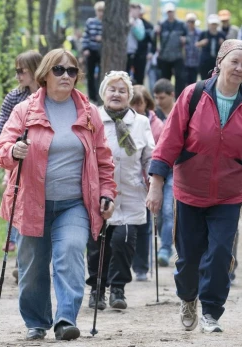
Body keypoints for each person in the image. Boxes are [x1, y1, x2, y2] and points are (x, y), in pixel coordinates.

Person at [147, 39, 242, 333]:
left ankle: (211, 312)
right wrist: (156, 183)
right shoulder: (194, 95)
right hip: (190, 191)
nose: (240, 68)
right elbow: (169, 142)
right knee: (189, 258)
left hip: (228, 195)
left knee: (219, 256)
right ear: (220, 62)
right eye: (234, 62)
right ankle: (188, 298)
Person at [0, 48, 117, 340]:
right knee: (33, 267)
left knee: (71, 252)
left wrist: (108, 192)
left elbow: (103, 158)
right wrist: (13, 150)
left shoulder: (88, 113)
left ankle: (65, 319)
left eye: (72, 70)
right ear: (44, 75)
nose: (66, 76)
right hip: (31, 202)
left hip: (74, 203)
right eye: (59, 70)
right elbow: (2, 150)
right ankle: (36, 321)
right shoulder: (24, 110)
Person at [85, 71, 154, 310]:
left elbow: (149, 157)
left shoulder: (141, 123)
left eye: (122, 90)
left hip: (131, 194)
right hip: (98, 194)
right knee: (97, 246)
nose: (116, 94)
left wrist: (154, 179)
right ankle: (97, 289)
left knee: (124, 242)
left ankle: (117, 289)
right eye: (112, 89)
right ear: (103, 93)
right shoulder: (92, 120)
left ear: (129, 95)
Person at [0, 50, 43, 255]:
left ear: (34, 70)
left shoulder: (52, 95)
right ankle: (21, 258)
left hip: (45, 162)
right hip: (18, 161)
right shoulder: (14, 97)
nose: (17, 76)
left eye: (21, 71)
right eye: (16, 71)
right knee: (19, 204)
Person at [130, 85, 163, 281]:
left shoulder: (155, 125)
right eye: (132, 102)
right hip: (125, 183)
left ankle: (142, 267)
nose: (135, 107)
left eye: (139, 103)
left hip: (147, 182)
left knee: (145, 226)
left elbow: (156, 153)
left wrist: (155, 179)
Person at [151, 78, 176, 265]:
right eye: (156, 97)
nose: (158, 101)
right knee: (158, 212)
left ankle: (165, 248)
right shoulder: (154, 116)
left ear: (171, 95)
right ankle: (165, 242)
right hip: (158, 168)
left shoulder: (180, 112)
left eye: (162, 97)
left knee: (169, 210)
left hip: (175, 169)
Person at [154, 2, 187, 98]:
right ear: (166, 13)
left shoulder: (181, 24)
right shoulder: (161, 24)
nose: (170, 13)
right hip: (165, 57)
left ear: (174, 12)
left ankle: (179, 98)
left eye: (171, 12)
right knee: (165, 79)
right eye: (168, 12)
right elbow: (155, 40)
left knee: (180, 79)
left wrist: (185, 39)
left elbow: (188, 37)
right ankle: (165, 97)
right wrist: (156, 32)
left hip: (178, 56)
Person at [81, 1, 105, 102]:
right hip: (91, 51)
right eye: (99, 11)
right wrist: (85, 49)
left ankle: (100, 94)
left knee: (101, 74)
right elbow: (85, 36)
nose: (101, 13)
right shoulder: (90, 22)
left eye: (103, 11)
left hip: (102, 52)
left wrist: (102, 38)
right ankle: (92, 96)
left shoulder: (107, 24)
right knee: (90, 74)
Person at [197, 14, 226, 80]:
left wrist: (222, 43)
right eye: (212, 24)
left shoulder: (221, 35)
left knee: (216, 79)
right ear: (209, 24)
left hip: (216, 62)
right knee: (204, 79)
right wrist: (202, 43)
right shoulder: (204, 33)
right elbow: (197, 44)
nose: (213, 26)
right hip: (205, 62)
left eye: (215, 24)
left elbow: (227, 47)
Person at [134, 4, 154, 85]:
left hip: (142, 54)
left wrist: (151, 52)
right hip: (131, 53)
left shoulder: (148, 25)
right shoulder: (130, 22)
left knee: (140, 75)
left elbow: (152, 41)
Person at [126, 3, 146, 83]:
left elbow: (141, 36)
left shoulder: (139, 22)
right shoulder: (123, 19)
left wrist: (133, 25)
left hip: (133, 52)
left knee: (137, 76)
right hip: (122, 52)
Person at [183, 13, 201, 86]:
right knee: (183, 83)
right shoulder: (183, 32)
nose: (190, 23)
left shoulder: (199, 33)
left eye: (192, 21)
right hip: (184, 63)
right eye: (189, 21)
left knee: (193, 84)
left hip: (195, 62)